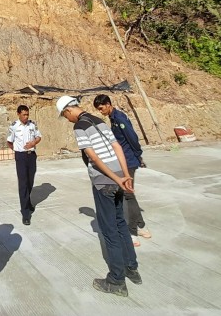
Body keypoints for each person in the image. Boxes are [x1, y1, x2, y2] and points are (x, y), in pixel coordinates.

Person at [57, 95, 142, 297]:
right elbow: (117, 147)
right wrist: (124, 175)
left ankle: (116, 280)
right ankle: (132, 268)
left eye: (65, 116)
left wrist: (114, 177)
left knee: (109, 230)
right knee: (121, 223)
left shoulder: (79, 127)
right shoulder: (100, 121)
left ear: (68, 111)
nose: (67, 119)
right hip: (120, 177)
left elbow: (93, 157)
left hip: (104, 183)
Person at [93, 94, 151, 246]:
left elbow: (132, 137)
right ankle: (141, 226)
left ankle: (132, 232)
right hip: (124, 160)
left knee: (128, 194)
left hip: (129, 161)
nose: (101, 112)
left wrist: (138, 156)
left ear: (108, 104)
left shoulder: (119, 119)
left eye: (101, 108)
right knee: (129, 194)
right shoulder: (113, 118)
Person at [6, 104, 42, 225]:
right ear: (18, 114)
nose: (26, 117)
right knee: (23, 183)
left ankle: (28, 202)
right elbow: (9, 142)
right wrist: (18, 150)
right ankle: (25, 213)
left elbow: (39, 137)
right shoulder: (14, 126)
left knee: (30, 181)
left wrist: (33, 143)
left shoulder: (32, 124)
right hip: (21, 156)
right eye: (24, 114)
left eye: (27, 114)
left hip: (31, 155)